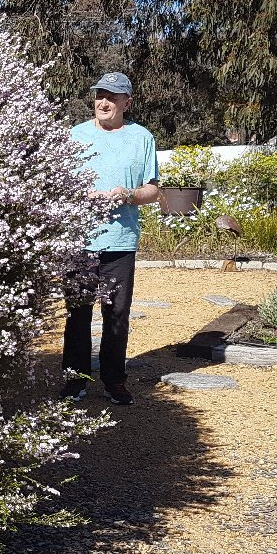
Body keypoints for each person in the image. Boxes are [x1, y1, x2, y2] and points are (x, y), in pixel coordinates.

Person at [61, 72, 160, 405]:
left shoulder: (142, 138)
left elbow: (152, 190)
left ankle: (114, 380)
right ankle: (75, 380)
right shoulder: (74, 136)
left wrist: (127, 195)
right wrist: (79, 196)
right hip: (79, 240)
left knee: (116, 315)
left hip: (120, 241)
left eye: (112, 97)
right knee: (77, 314)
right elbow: (57, 184)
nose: (103, 103)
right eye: (100, 96)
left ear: (127, 103)